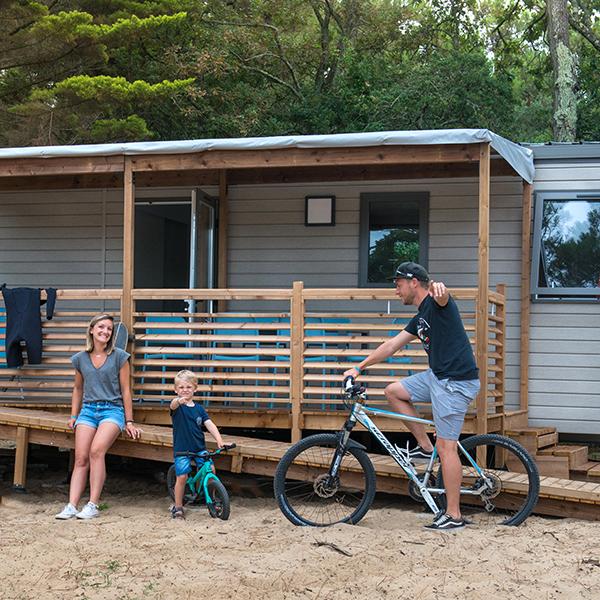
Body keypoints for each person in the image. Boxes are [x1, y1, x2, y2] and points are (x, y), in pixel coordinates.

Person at [343, 262, 480, 531]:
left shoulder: (437, 304)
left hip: (455, 383)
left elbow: (442, 297)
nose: (396, 290)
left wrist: (441, 292)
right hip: (438, 377)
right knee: (394, 392)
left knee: (447, 447)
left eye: (398, 284)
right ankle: (424, 446)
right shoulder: (419, 318)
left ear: (413, 282)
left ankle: (454, 515)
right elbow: (392, 345)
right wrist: (359, 367)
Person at [56, 314, 141, 520]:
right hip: (88, 411)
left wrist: (129, 421)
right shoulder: (80, 358)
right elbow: (77, 388)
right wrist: (73, 415)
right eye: (101, 327)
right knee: (81, 457)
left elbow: (126, 390)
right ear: (92, 330)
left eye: (109, 329)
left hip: (112, 411)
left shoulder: (120, 356)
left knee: (96, 451)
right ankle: (72, 505)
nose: (105, 331)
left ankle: (93, 504)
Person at [169, 370, 224, 519]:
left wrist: (219, 440)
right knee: (182, 477)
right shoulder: (177, 407)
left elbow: (209, 424)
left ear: (195, 388)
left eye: (188, 387)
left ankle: (211, 498)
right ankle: (178, 506)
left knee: (211, 470)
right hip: (182, 450)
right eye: (181, 387)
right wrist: (178, 401)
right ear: (176, 390)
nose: (185, 390)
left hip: (199, 448)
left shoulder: (199, 409)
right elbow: (173, 405)